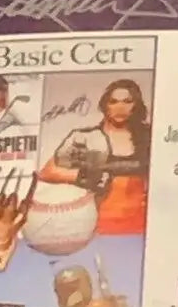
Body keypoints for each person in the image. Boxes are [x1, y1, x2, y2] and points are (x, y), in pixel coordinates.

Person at [36, 78, 150, 234]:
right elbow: (47, 172)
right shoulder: (85, 138)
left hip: (140, 223)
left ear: (136, 105)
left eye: (127, 101)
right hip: (97, 223)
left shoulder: (148, 136)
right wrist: (84, 176)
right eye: (114, 101)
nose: (120, 107)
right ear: (105, 105)